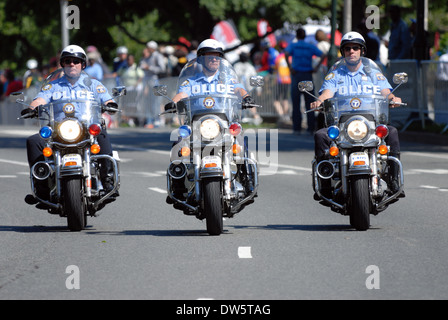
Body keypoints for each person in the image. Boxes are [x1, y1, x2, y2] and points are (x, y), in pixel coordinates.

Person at [21, 45, 119, 204]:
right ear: (62, 64)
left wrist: (110, 104)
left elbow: (107, 98)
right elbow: (40, 99)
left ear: (83, 64)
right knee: (34, 141)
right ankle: (41, 188)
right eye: (67, 61)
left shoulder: (93, 84)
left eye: (76, 61)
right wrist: (32, 108)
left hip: (86, 128)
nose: (72, 64)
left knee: (100, 133)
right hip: (59, 130)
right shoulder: (52, 86)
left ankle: (108, 182)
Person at [310, 31, 404, 195]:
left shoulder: (373, 73)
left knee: (392, 132)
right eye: (347, 48)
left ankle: (393, 178)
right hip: (343, 124)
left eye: (355, 48)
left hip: (370, 123)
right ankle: (325, 184)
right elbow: (326, 93)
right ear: (343, 52)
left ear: (362, 51)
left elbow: (385, 91)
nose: (351, 51)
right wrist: (319, 101)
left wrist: (393, 97)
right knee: (321, 135)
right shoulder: (335, 74)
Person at [285, 28, 325, 135]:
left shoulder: (293, 45)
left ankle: (296, 128)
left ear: (297, 36)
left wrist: (290, 67)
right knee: (309, 102)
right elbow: (322, 55)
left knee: (296, 102)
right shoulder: (310, 46)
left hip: (296, 74)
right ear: (305, 36)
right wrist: (316, 67)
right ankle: (310, 128)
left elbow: (286, 53)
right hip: (307, 74)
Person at [140, 41, 167, 128]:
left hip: (155, 80)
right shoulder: (149, 56)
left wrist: (150, 68)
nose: (147, 49)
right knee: (148, 101)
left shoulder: (157, 56)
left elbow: (162, 68)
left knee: (156, 101)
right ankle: (150, 120)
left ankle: (157, 119)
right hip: (147, 80)